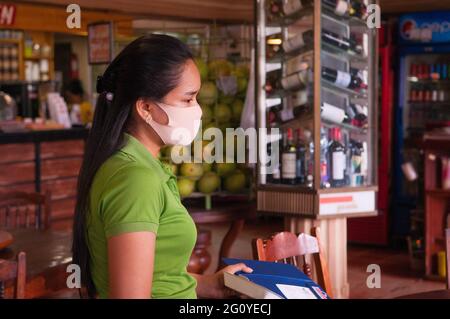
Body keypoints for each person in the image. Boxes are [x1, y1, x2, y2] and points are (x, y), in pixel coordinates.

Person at [72, 34, 252, 299]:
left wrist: (210, 285)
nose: (198, 110)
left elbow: (155, 276)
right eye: (188, 99)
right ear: (145, 108)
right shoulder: (135, 180)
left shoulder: (138, 166)